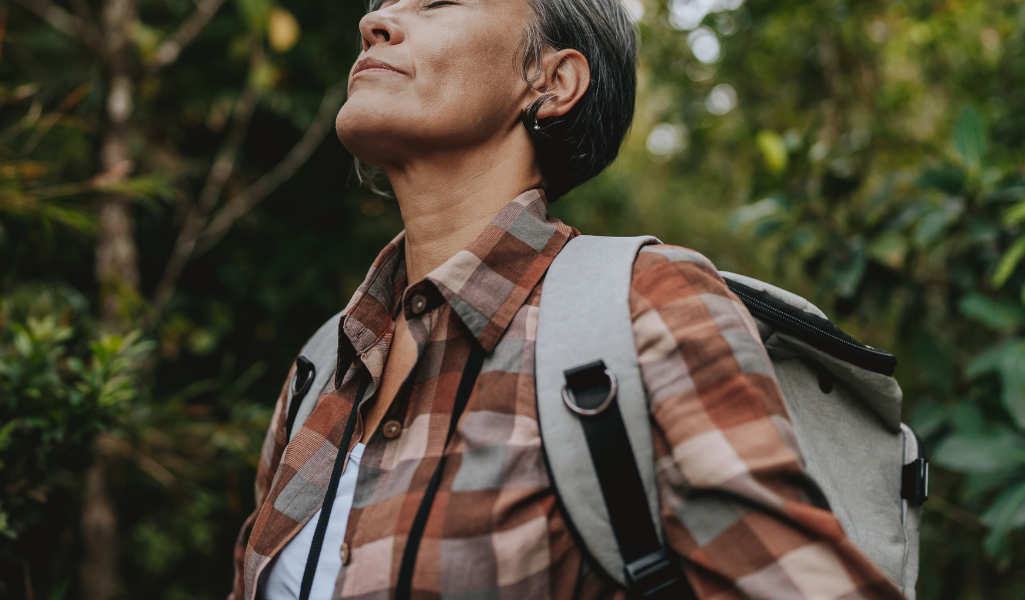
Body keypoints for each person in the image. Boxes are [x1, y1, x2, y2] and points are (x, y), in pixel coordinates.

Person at [230, 0, 907, 598]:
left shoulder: (646, 305)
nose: (373, 20)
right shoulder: (323, 366)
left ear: (552, 82)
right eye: (384, 3)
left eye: (438, 2)